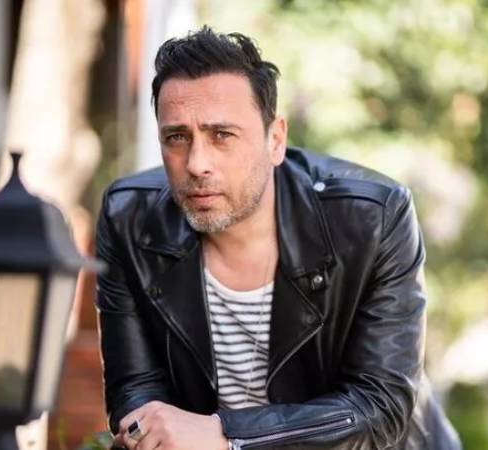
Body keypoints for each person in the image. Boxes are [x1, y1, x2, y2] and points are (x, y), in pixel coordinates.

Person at [96, 26, 461, 450]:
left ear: (276, 140)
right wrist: (149, 434)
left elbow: (379, 407)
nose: (196, 163)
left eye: (222, 135)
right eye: (177, 137)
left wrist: (227, 436)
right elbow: (135, 389)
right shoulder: (129, 218)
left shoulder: (372, 218)